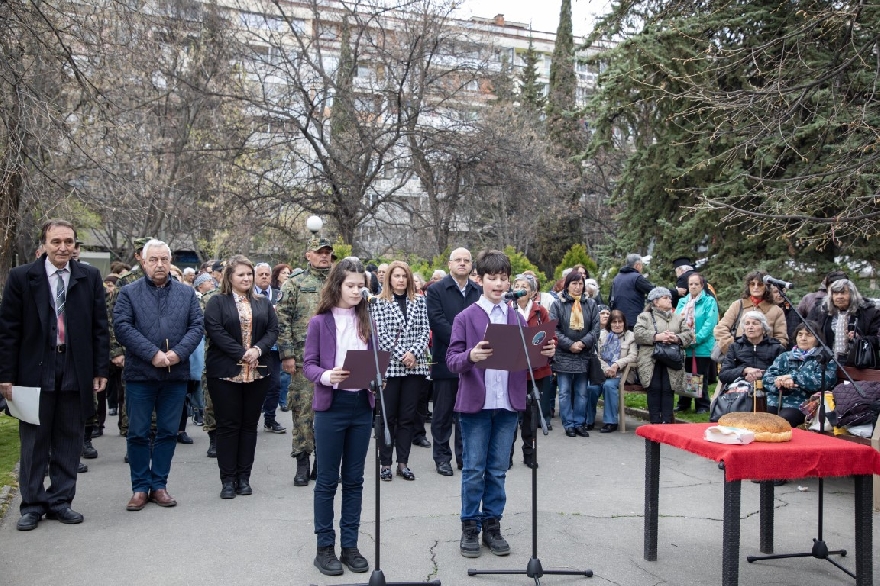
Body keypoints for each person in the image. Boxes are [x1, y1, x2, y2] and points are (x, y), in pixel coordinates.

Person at [0, 219, 109, 531]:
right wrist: (5, 374)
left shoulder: (89, 277)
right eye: (56, 242)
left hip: (75, 368)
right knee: (34, 441)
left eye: (69, 242)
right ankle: (32, 505)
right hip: (35, 369)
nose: (63, 248)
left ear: (75, 245)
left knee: (69, 439)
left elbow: (100, 328)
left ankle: (61, 501)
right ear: (44, 244)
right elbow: (8, 330)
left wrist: (100, 370)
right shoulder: (22, 277)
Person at [446, 250, 556, 558]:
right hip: (476, 406)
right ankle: (470, 527)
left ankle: (492, 526)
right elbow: (451, 361)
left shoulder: (517, 318)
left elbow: (530, 361)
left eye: (503, 278)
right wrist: (471, 356)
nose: (498, 284)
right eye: (491, 278)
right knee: (473, 469)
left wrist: (545, 352)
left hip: (508, 405)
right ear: (479, 280)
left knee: (497, 469)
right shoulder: (466, 317)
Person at [113, 239, 204, 511]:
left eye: (164, 259)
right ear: (143, 261)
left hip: (175, 375)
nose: (159, 265)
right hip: (141, 374)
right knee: (138, 432)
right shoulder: (128, 292)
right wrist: (153, 354)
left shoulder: (186, 294)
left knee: (167, 431)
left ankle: (159, 485)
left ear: (170, 261)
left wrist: (177, 354)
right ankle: (140, 487)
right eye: (153, 260)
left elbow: (196, 326)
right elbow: (122, 327)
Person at [302, 258, 374, 576]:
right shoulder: (320, 322)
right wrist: (328, 375)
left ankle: (350, 546)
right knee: (328, 481)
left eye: (361, 286)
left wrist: (376, 374)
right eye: (351, 286)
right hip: (331, 407)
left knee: (355, 481)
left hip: (362, 404)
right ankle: (324, 548)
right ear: (337, 286)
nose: (357, 291)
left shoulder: (368, 319)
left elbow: (375, 358)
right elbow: (309, 365)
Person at [204, 255, 278, 499]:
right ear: (230, 277)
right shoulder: (217, 302)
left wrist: (258, 350)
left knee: (249, 426)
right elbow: (215, 331)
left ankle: (244, 477)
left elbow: (272, 330)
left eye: (249, 274)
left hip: (257, 373)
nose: (246, 278)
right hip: (226, 374)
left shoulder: (262, 303)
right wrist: (243, 353)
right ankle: (227, 480)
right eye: (241, 274)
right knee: (228, 426)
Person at [278, 237, 334, 486]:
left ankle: (323, 464)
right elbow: (283, 319)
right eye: (319, 252)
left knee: (329, 412)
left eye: (327, 252)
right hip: (302, 360)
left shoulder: (338, 282)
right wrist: (287, 354)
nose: (324, 256)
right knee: (303, 412)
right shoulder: (295, 283)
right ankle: (303, 462)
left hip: (332, 360)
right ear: (307, 255)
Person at [370, 260, 430, 482]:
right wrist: (402, 354)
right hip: (391, 367)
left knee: (407, 417)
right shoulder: (379, 303)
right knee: (388, 417)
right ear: (389, 279)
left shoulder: (420, 301)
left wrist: (413, 353)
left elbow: (425, 330)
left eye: (404, 276)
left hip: (415, 367)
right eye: (396, 276)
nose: (401, 280)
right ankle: (385, 463)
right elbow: (381, 334)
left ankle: (402, 463)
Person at [426, 247, 481, 477]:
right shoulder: (437, 290)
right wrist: (463, 342)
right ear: (449, 264)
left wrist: (471, 349)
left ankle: (463, 456)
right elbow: (437, 322)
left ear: (471, 265)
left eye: (466, 260)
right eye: (458, 260)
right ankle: (442, 457)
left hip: (471, 362)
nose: (462, 263)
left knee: (466, 413)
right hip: (445, 360)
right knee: (442, 413)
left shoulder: (478, 291)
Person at [549, 270, 601, 437]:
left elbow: (596, 328)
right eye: (574, 284)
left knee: (581, 391)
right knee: (564, 391)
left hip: (583, 353)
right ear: (567, 285)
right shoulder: (558, 304)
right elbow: (554, 329)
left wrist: (583, 342)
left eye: (580, 284)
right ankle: (568, 424)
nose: (578, 287)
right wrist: (570, 344)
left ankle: (580, 423)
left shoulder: (591, 304)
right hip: (564, 353)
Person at [633, 287, 695, 424]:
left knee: (668, 389)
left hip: (672, 359)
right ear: (655, 301)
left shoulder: (678, 318)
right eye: (665, 298)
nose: (669, 300)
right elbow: (638, 334)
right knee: (654, 389)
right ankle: (655, 422)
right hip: (651, 359)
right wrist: (657, 337)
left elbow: (689, 335)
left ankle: (667, 423)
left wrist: (676, 338)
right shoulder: (645, 317)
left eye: (669, 297)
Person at [509, 273, 552, 466]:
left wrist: (551, 346)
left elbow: (551, 336)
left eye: (524, 286)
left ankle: (529, 453)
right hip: (510, 370)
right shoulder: (506, 309)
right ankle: (505, 455)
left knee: (530, 414)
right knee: (509, 414)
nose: (520, 289)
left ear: (533, 292)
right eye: (517, 285)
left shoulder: (540, 312)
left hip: (535, 372)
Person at [763, 321, 837, 428]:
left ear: (817, 339)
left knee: (784, 420)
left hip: (802, 403)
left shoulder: (824, 358)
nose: (803, 338)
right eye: (800, 334)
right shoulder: (785, 356)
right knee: (761, 415)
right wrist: (779, 382)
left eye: (809, 335)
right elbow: (767, 378)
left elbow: (824, 381)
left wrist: (794, 379)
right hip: (775, 400)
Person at [713, 271, 789, 358]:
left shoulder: (776, 310)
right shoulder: (738, 305)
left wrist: (768, 352)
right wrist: (732, 347)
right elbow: (720, 329)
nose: (756, 287)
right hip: (738, 358)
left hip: (764, 360)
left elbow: (781, 339)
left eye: (760, 284)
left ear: (766, 287)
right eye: (752, 284)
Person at [807, 278, 880, 367]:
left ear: (852, 295)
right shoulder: (822, 312)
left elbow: (877, 339)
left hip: (860, 366)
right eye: (836, 293)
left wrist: (861, 338)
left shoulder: (869, 312)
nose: (839, 296)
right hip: (828, 365)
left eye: (843, 293)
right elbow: (809, 331)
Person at [674, 272, 719, 413]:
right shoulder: (682, 302)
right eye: (690, 284)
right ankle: (684, 403)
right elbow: (677, 320)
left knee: (700, 375)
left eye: (696, 284)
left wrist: (696, 338)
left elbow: (710, 323)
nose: (693, 287)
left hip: (702, 345)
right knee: (686, 374)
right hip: (684, 345)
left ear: (702, 286)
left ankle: (702, 404)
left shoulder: (709, 301)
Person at [253, 262, 286, 434]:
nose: (264, 277)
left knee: (274, 384)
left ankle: (270, 419)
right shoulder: (249, 295)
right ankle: (250, 420)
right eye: (261, 274)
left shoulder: (278, 295)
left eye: (267, 274)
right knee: (254, 385)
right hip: (253, 348)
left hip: (273, 349)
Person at [718, 311, 785, 392]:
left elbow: (783, 374)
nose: (750, 327)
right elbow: (723, 375)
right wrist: (744, 371)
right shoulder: (735, 347)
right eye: (747, 323)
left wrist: (761, 375)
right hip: (740, 390)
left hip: (768, 389)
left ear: (763, 328)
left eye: (755, 323)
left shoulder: (776, 348)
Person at [597, 309, 637, 432]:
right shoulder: (602, 335)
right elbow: (597, 356)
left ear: (624, 323)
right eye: (614, 322)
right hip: (603, 371)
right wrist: (607, 368)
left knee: (609, 386)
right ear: (610, 323)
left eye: (620, 322)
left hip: (623, 374)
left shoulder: (631, 336)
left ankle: (611, 422)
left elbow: (633, 355)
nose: (618, 325)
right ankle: (587, 421)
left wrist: (616, 365)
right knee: (590, 388)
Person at [610, 253, 655, 330]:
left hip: (618, 319)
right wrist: (675, 292)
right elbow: (654, 291)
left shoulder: (616, 278)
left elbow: (610, 298)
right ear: (637, 265)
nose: (642, 268)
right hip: (633, 320)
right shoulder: (637, 278)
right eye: (641, 265)